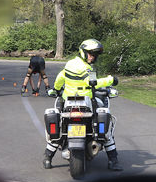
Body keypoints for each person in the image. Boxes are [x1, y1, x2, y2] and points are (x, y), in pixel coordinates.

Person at [44, 39, 122, 171]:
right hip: (86, 102)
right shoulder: (85, 67)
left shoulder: (70, 64)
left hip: (67, 101)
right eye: (90, 53)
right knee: (105, 124)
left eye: (94, 54)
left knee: (60, 125)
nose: (92, 57)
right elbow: (92, 82)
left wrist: (56, 89)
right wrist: (111, 80)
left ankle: (47, 157)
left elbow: (61, 77)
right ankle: (113, 160)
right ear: (83, 52)